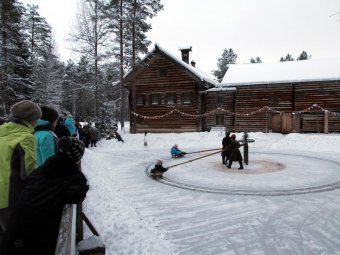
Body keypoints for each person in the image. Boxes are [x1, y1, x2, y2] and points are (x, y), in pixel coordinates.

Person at [0, 137, 89, 255]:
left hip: (15, 228)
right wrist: (84, 187)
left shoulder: (41, 169)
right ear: (77, 158)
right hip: (38, 235)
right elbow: (75, 196)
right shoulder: (74, 176)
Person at [0, 100, 41, 242]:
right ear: (31, 120)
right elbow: (29, 173)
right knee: (16, 238)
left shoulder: (2, 133)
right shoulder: (26, 138)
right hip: (9, 196)